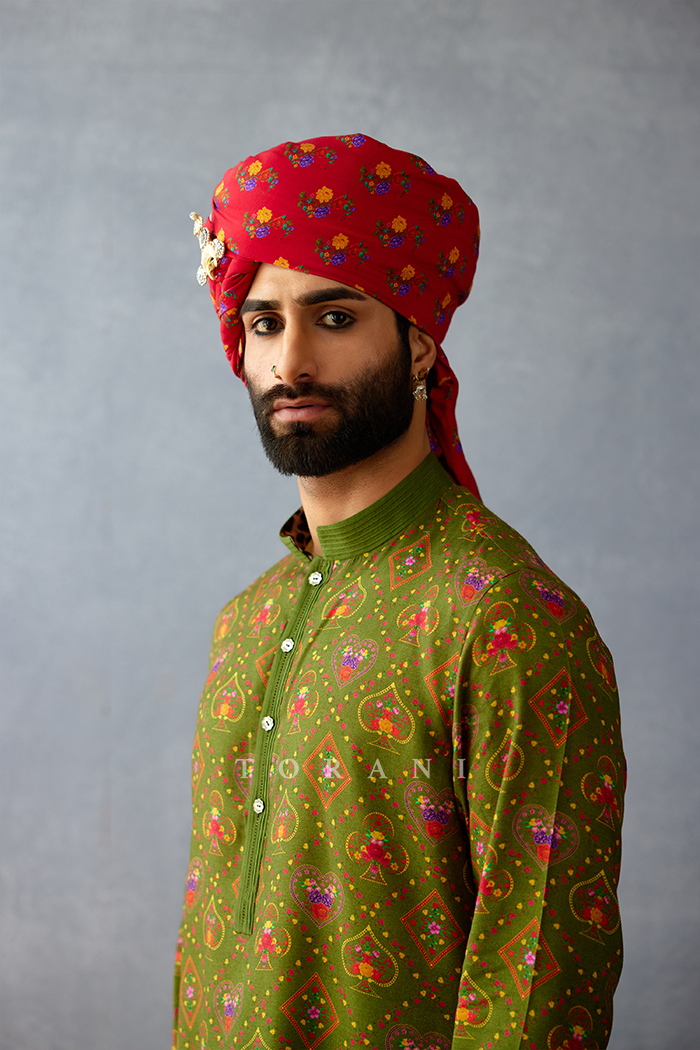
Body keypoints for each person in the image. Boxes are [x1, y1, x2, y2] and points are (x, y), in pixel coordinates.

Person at [173, 134, 624, 1050]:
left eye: (335, 318)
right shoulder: (247, 620)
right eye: (265, 323)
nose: (291, 361)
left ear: (418, 344)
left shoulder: (502, 616)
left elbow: (536, 981)